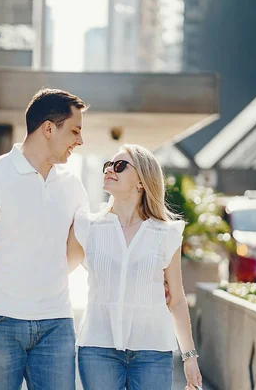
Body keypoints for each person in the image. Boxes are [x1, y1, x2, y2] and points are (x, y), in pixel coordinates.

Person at [0, 88, 89, 389]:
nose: (79, 141)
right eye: (75, 131)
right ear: (48, 129)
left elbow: (76, 254)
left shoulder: (73, 187)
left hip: (56, 324)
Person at [68, 144, 203, 390]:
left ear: (142, 181)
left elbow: (176, 300)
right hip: (98, 348)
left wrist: (189, 356)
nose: (109, 169)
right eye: (107, 165)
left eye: (119, 165)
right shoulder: (88, 227)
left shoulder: (166, 233)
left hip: (152, 351)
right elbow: (57, 270)